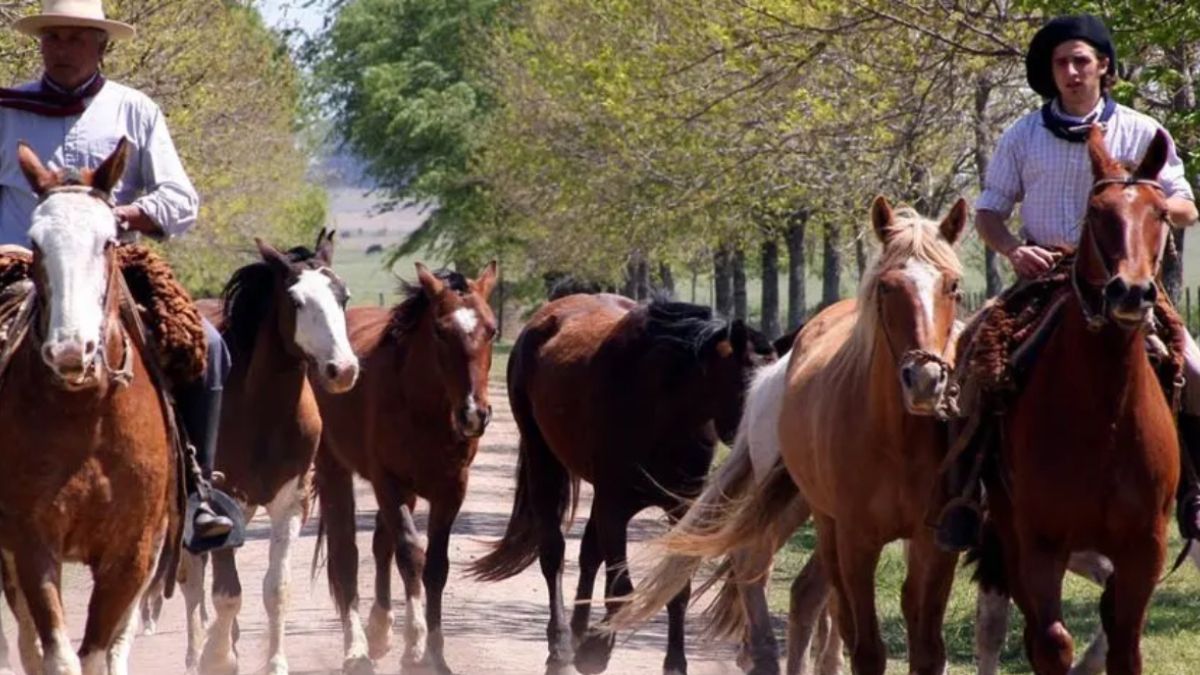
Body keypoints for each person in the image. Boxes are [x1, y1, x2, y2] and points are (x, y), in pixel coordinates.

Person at [932, 13, 1200, 550]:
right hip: (1045, 279)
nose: (1072, 71)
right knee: (967, 364)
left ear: (1103, 66)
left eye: (1082, 61)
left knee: (1194, 369)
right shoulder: (1022, 135)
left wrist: (1154, 204)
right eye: (1062, 63)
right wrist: (1013, 248)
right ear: (1050, 72)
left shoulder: (1145, 131)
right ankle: (963, 498)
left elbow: (1187, 206)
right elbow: (988, 212)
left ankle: (1194, 491)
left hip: (1127, 280)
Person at [0, 0, 236, 542]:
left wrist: (125, 213)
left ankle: (198, 490)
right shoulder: (7, 110)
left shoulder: (135, 110)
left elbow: (181, 198)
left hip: (112, 263)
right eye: (52, 38)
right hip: (18, 263)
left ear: (102, 46)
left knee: (208, 345)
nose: (61, 49)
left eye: (75, 39)